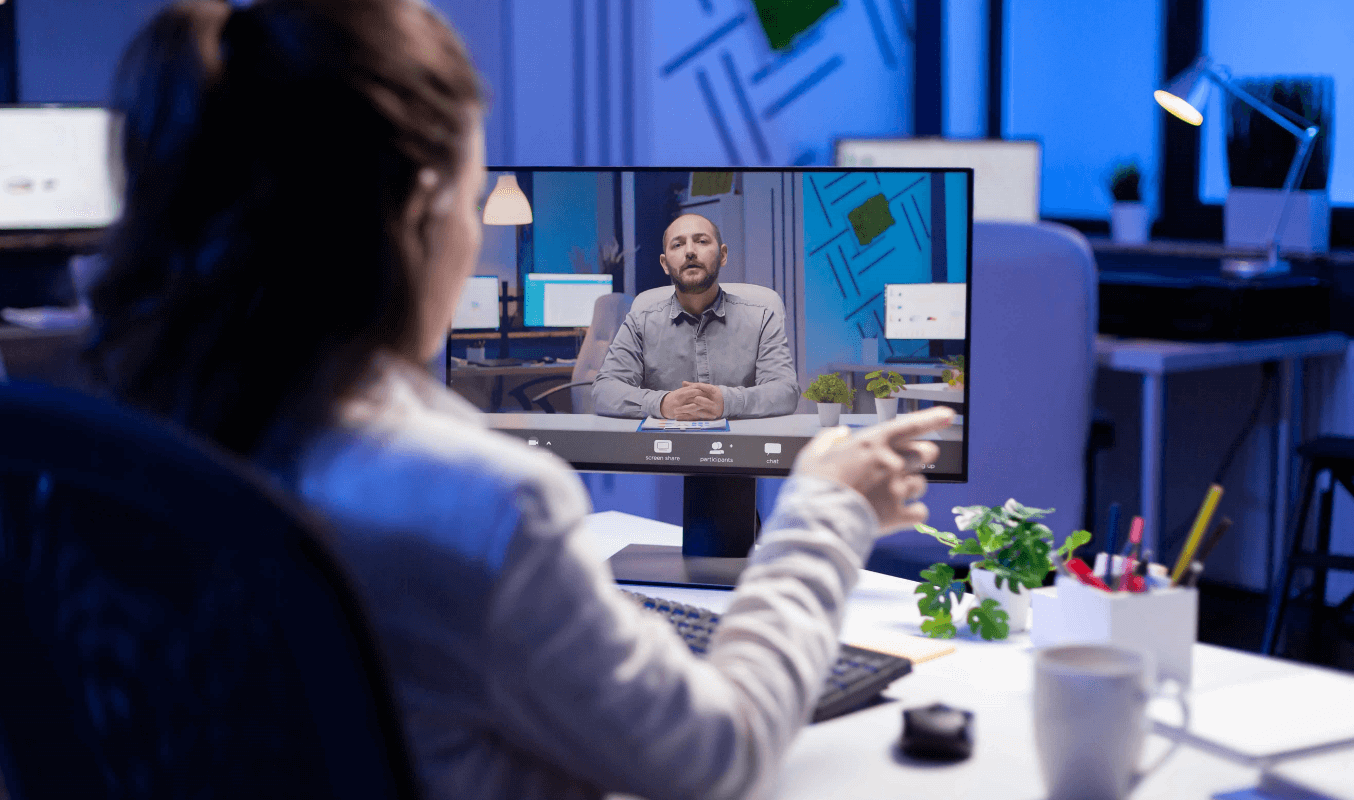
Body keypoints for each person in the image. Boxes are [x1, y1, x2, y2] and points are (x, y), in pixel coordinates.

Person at [87, 2, 955, 799]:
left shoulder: (116, 433)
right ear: (423, 207)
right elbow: (713, 755)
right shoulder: (489, 505)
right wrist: (825, 510)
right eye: (472, 199)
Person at [591, 213, 800, 420]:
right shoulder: (640, 323)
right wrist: (662, 404)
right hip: (664, 446)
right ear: (664, 264)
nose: (690, 251)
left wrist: (727, 402)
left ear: (723, 255)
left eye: (701, 241)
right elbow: (604, 390)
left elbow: (786, 391)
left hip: (741, 447)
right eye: (677, 245)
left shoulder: (761, 318)